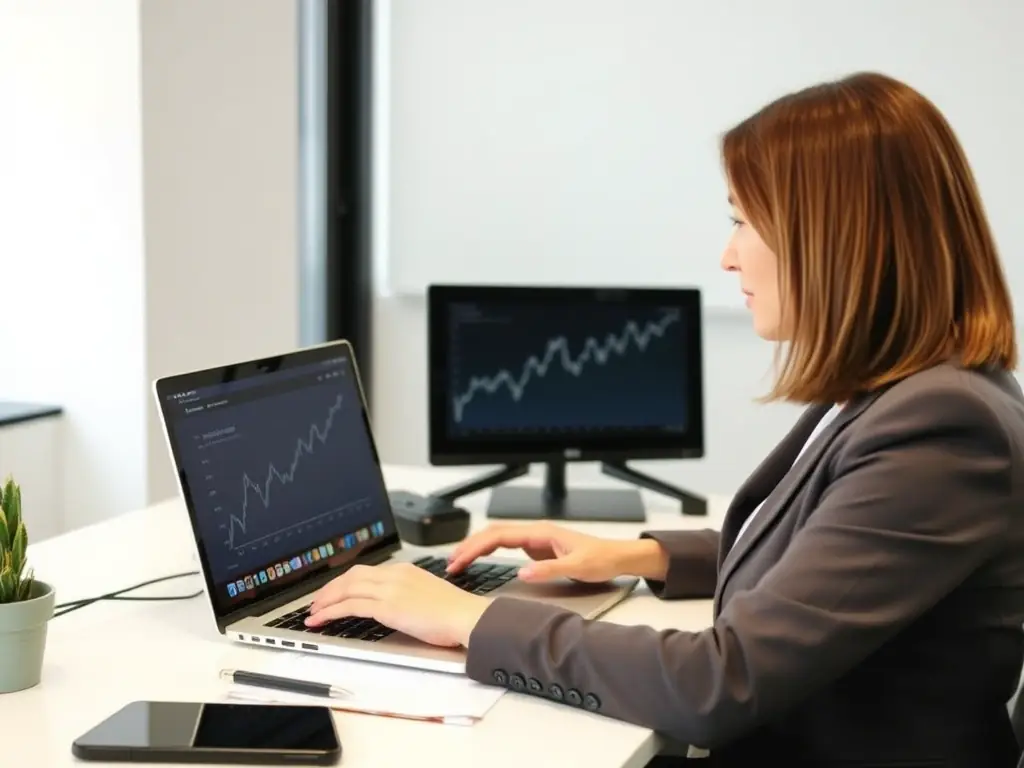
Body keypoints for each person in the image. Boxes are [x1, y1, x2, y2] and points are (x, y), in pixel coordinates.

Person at [306, 72, 1024, 766]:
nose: (728, 255)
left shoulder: (940, 428)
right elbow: (835, 558)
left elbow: (718, 682)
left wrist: (471, 618)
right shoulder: (919, 391)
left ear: (836, 238)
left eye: (745, 221)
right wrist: (641, 557)